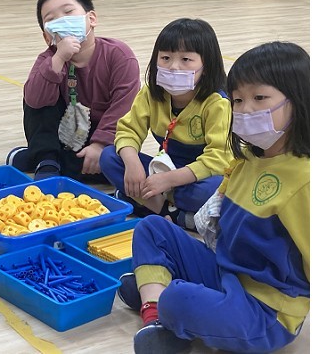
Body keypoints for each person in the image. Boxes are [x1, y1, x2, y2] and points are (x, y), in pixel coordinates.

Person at [117, 41, 310, 353]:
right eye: (238, 100)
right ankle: (155, 314)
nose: (245, 110)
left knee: (178, 298)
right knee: (152, 228)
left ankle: (155, 293)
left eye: (260, 98)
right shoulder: (248, 158)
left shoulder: (305, 179)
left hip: (266, 311)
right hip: (226, 272)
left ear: (299, 99)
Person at [99, 18, 232, 230]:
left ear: (206, 66)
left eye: (186, 59)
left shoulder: (217, 103)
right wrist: (132, 163)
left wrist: (169, 181)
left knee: (215, 188)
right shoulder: (151, 93)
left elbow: (218, 159)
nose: (174, 66)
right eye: (165, 58)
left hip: (196, 177)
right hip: (163, 169)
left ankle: (148, 204)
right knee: (109, 157)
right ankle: (175, 214)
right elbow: (128, 130)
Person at [6, 0, 140, 182]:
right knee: (37, 88)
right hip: (66, 132)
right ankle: (47, 161)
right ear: (47, 36)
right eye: (51, 19)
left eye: (68, 12)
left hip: (104, 132)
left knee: (112, 163)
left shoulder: (119, 55)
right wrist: (59, 58)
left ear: (91, 19)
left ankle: (41, 159)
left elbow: (124, 107)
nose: (62, 20)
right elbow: (34, 101)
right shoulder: (48, 59)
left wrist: (99, 145)